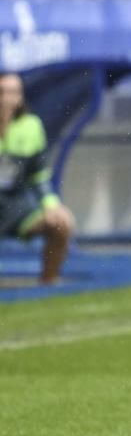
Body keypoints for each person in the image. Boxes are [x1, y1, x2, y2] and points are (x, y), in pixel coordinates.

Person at [0, 72, 76, 285]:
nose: (7, 98)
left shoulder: (31, 126)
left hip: (17, 209)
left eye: (13, 92)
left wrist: (51, 204)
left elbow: (39, 175)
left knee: (63, 222)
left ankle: (48, 283)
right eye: (2, 92)